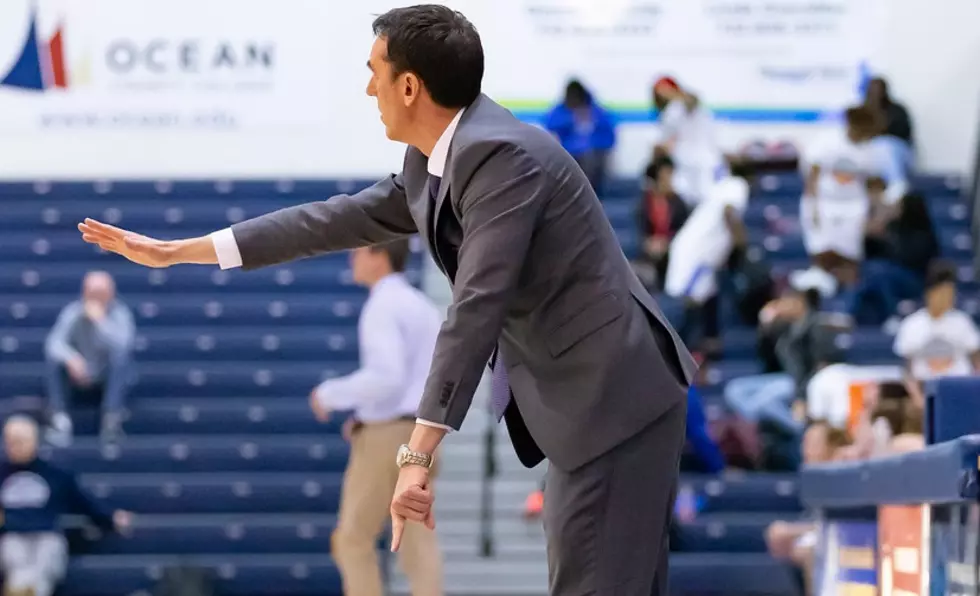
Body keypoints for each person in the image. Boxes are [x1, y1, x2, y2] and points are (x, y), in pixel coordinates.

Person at [77, 5, 696, 595]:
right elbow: (328, 221)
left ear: (409, 87)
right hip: (599, 402)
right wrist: (180, 251)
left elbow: (477, 304)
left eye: (374, 72)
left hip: (615, 400)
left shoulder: (501, 157)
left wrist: (417, 454)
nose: (367, 89)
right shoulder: (437, 160)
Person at [308, 241, 444, 596]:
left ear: (379, 255)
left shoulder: (383, 306)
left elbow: (388, 377)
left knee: (353, 538)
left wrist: (329, 394)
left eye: (359, 251)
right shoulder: (423, 307)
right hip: (424, 433)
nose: (352, 257)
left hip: (388, 438)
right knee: (417, 541)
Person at [0, 415, 132, 596]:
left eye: (20, 441)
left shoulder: (55, 475)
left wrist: (110, 518)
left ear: (34, 440)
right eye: (11, 441)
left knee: (45, 559)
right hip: (11, 536)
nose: (15, 446)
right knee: (15, 557)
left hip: (47, 535)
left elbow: (83, 502)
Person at [799, 106, 885, 290]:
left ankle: (847, 295)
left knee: (849, 256)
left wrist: (875, 214)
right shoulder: (828, 141)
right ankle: (820, 287)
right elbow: (813, 174)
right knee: (823, 251)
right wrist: (812, 205)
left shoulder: (870, 150)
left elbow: (874, 183)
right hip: (824, 202)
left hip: (853, 206)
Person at [44, 271, 135, 444]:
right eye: (92, 293)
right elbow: (53, 343)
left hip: (104, 374)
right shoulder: (72, 312)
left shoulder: (120, 314)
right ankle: (59, 419)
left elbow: (123, 346)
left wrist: (100, 322)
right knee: (54, 363)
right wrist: (71, 359)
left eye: (101, 293)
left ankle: (111, 419)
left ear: (111, 293)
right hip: (77, 374)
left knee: (122, 362)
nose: (96, 298)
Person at [663, 175, 749, 356]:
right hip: (696, 256)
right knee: (688, 303)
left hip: (704, 256)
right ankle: (675, 353)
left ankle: (699, 351)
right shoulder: (736, 184)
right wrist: (742, 244)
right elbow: (729, 211)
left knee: (706, 299)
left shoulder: (719, 189)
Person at [893, 263, 980, 406]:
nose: (949, 298)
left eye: (951, 293)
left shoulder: (962, 322)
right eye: (944, 293)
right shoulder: (912, 324)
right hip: (924, 390)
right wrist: (917, 398)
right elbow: (906, 369)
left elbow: (977, 362)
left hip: (960, 390)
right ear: (931, 293)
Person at [851, 191, 939, 324]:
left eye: (900, 206)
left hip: (915, 279)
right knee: (869, 270)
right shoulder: (893, 226)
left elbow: (909, 258)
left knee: (879, 272)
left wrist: (887, 240)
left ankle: (891, 315)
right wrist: (869, 237)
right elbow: (873, 253)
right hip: (887, 272)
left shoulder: (924, 233)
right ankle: (852, 314)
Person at [651, 76, 727, 207]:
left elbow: (693, 100)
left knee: (710, 202)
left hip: (706, 165)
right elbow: (663, 144)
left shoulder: (683, 108)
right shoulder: (670, 113)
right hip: (685, 168)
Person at [544, 79, 616, 194]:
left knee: (590, 161)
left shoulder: (597, 112)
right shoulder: (560, 111)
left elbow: (609, 137)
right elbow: (550, 126)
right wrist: (571, 121)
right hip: (568, 154)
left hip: (593, 155)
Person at [635, 155, 689, 292]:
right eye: (665, 176)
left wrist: (667, 243)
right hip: (648, 253)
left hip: (672, 252)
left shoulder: (679, 203)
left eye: (670, 175)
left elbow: (685, 232)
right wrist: (648, 242)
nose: (668, 180)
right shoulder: (644, 203)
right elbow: (640, 229)